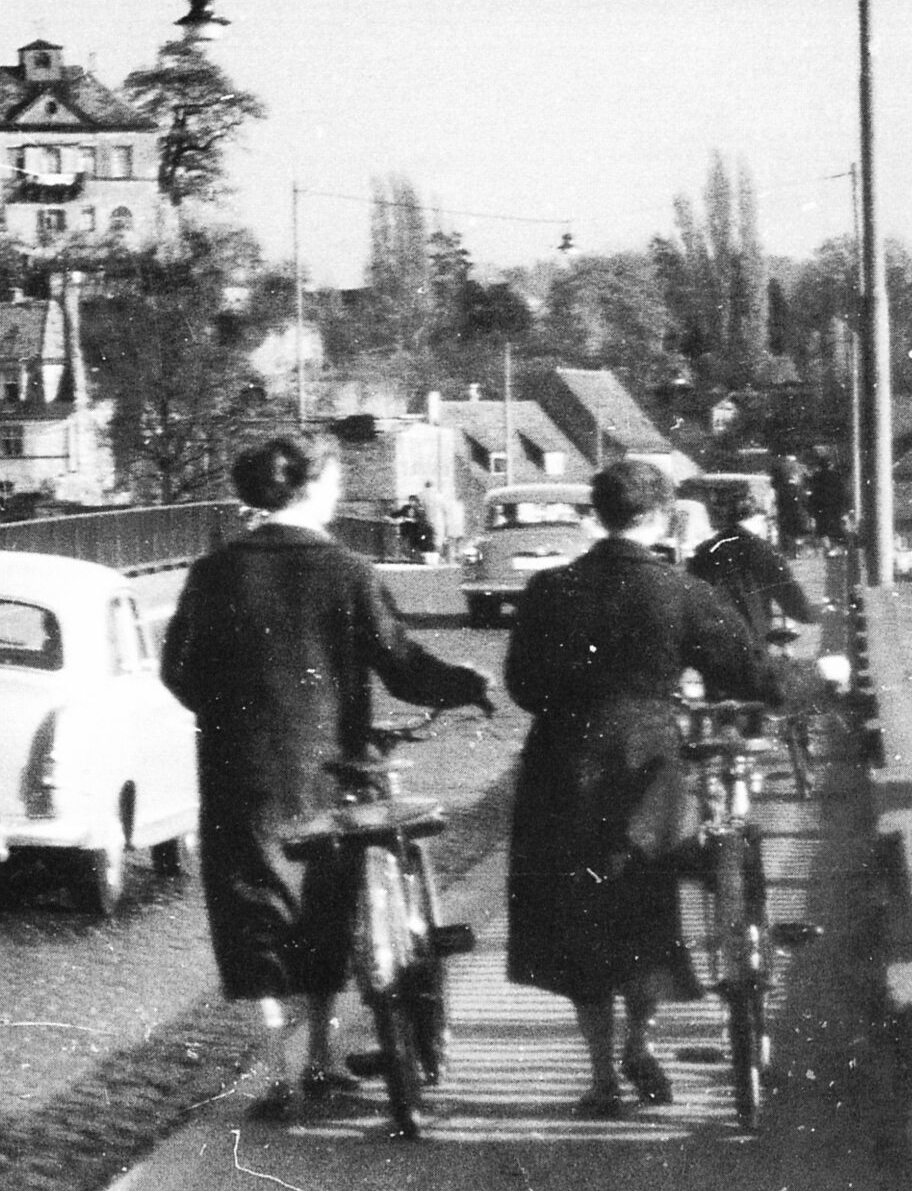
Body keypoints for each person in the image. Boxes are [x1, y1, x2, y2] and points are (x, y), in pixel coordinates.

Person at [162, 434, 493, 1122]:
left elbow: (179, 671)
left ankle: (278, 1074)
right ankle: (323, 1056)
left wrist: (234, 716)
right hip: (330, 768)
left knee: (254, 908)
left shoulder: (212, 572)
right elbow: (402, 663)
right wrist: (466, 684)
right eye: (334, 482)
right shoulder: (346, 571)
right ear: (313, 490)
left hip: (240, 769)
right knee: (328, 903)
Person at [504, 460, 786, 1117]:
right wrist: (773, 692)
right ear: (662, 517)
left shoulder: (550, 589)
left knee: (577, 918)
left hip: (562, 766)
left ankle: (602, 1078)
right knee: (642, 904)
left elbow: (523, 685)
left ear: (596, 515)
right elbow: (743, 669)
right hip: (647, 766)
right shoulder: (679, 590)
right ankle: (640, 1040)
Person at [686, 491, 820, 644]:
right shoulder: (766, 552)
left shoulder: (705, 551)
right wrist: (816, 614)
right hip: (751, 641)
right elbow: (796, 605)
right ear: (758, 518)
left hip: (712, 642)